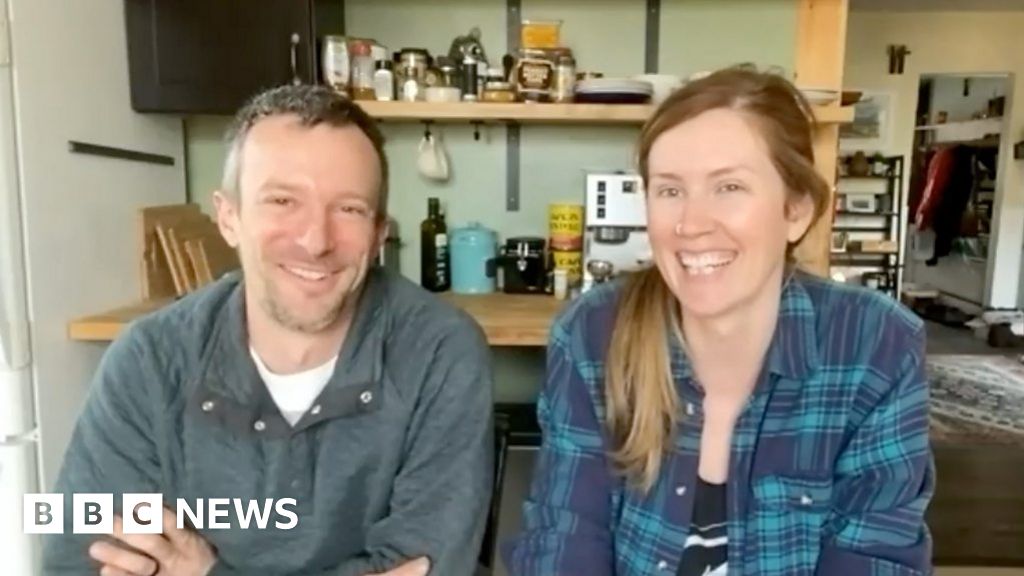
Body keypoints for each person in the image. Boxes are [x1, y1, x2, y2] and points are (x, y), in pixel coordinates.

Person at [43, 85, 494, 576]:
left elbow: (432, 566)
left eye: (349, 209)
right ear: (228, 217)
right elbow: (78, 563)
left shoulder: (440, 351)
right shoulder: (148, 361)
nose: (316, 241)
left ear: (379, 233)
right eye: (282, 200)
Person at [506, 68, 934, 576]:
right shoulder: (592, 333)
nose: (691, 224)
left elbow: (874, 557)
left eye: (729, 186)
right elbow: (564, 537)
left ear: (796, 210)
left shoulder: (876, 345)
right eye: (670, 191)